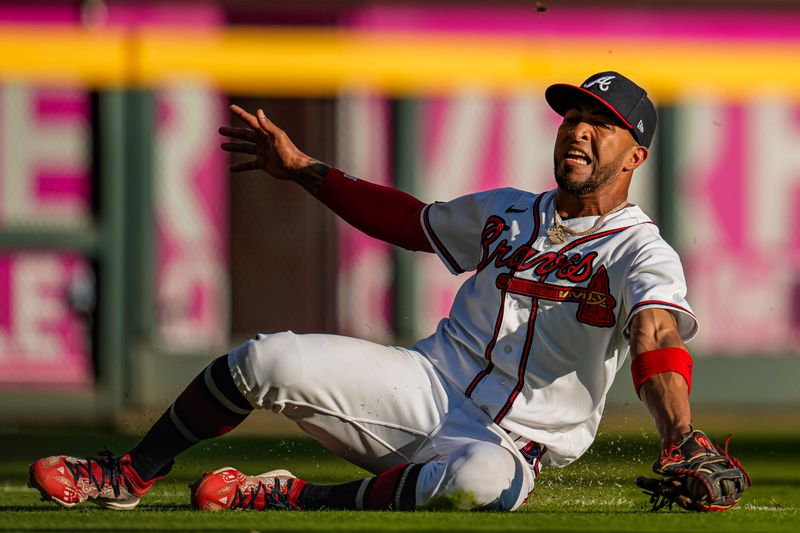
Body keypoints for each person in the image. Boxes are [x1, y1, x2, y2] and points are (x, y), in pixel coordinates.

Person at [28, 72, 743, 512]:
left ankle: (291, 494)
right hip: (424, 384)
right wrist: (305, 168)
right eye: (572, 117)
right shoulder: (511, 209)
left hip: (511, 444)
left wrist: (681, 437)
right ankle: (126, 471)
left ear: (636, 154)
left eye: (601, 123)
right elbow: (411, 223)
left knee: (480, 485)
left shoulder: (638, 249)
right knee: (264, 359)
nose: (578, 131)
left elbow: (656, 334)